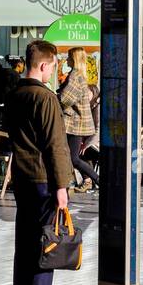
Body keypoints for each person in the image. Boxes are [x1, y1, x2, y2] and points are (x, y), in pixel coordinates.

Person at [4, 39, 73, 285]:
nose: (54, 73)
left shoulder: (15, 94)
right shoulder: (45, 98)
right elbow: (55, 145)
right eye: (54, 67)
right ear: (44, 64)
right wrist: (62, 186)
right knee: (47, 243)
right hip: (43, 178)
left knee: (26, 242)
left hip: (22, 176)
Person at [58, 47, 98, 191]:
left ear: (73, 59)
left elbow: (65, 98)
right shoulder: (80, 75)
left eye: (69, 57)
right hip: (77, 124)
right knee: (71, 157)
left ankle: (98, 179)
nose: (67, 59)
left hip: (74, 124)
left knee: (73, 158)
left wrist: (54, 98)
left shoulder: (75, 76)